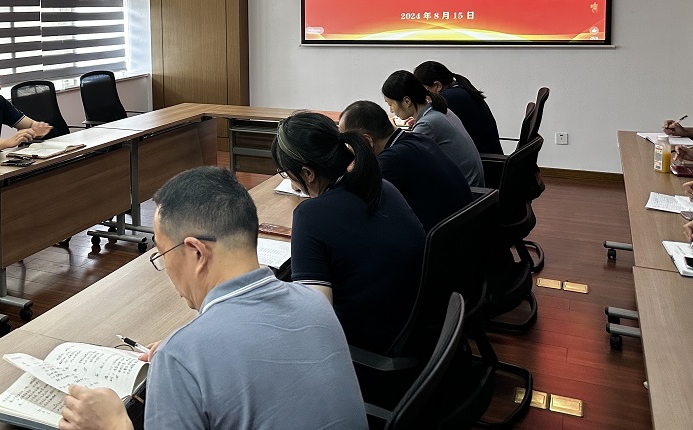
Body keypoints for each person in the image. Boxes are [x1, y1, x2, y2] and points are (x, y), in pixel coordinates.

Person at [59, 166, 367, 430]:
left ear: (196, 252)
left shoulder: (182, 357)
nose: (165, 267)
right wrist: (188, 348)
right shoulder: (314, 302)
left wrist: (115, 425)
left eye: (163, 254)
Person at [271, 112, 425, 355]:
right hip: (415, 330)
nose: (291, 183)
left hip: (369, 353)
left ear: (308, 173)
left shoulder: (310, 215)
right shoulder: (382, 186)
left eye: (288, 174)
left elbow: (314, 321)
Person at [339, 100, 471, 232]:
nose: (349, 150)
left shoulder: (392, 160)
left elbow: (350, 202)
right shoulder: (419, 139)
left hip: (440, 238)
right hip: (464, 227)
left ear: (367, 140)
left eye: (350, 144)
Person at [382, 70, 484, 188]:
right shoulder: (439, 110)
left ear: (407, 101)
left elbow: (404, 159)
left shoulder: (427, 124)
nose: (391, 110)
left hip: (468, 191)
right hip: (473, 187)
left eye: (390, 104)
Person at [414, 61, 502, 154]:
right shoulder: (460, 90)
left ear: (437, 85)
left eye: (424, 91)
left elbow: (434, 128)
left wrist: (420, 122)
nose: (424, 96)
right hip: (493, 156)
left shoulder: (449, 98)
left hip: (485, 159)